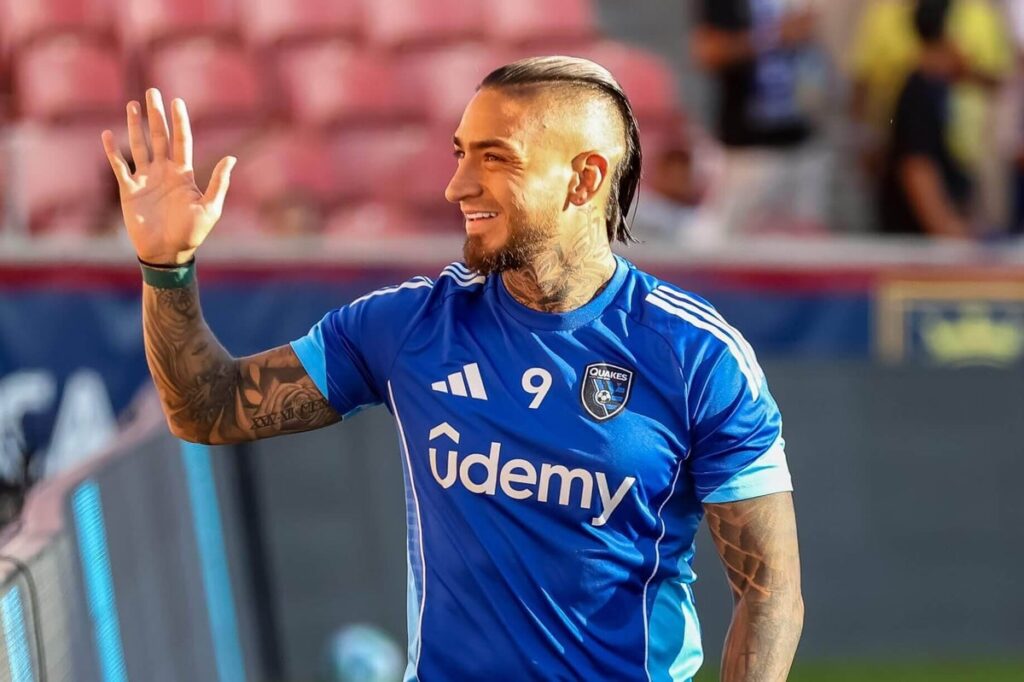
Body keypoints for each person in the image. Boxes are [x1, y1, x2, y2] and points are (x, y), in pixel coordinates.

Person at [100, 57, 802, 681]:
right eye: (460, 153)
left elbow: (768, 592)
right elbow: (207, 408)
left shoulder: (698, 356)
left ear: (584, 178)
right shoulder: (405, 326)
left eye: (494, 158)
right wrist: (167, 268)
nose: (456, 185)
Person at [691, 0, 830, 238]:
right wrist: (775, 35)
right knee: (732, 241)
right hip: (748, 149)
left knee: (802, 242)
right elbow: (709, 51)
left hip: (804, 145)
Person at [879, 0, 975, 237]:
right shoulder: (919, 91)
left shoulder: (938, 87)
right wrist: (948, 230)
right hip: (916, 241)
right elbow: (917, 168)